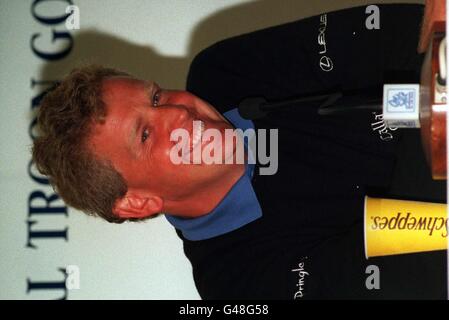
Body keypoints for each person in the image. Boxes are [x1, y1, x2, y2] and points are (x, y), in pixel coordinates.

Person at [33, 2, 447, 299]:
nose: (177, 113)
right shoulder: (235, 282)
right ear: (138, 202)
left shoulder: (224, 70)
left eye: (156, 97)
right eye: (145, 135)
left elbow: (406, 34)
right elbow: (422, 256)